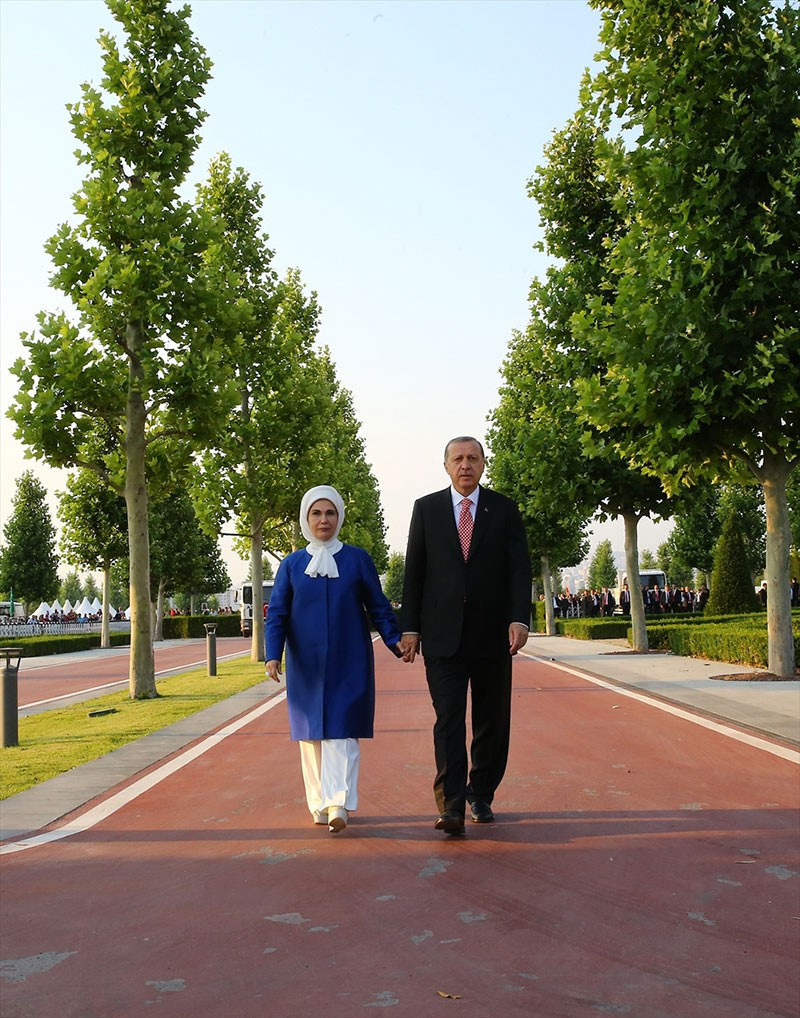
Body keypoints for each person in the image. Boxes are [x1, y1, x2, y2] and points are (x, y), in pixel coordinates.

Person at [400, 436, 531, 836]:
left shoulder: (504, 510)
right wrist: (410, 627)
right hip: (443, 638)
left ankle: (482, 793)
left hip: (493, 636)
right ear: (446, 466)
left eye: (473, 458)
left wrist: (519, 618)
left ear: (484, 464)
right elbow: (414, 572)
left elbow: (518, 570)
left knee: (492, 720)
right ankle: (451, 805)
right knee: (449, 721)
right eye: (458, 458)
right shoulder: (427, 509)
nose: (465, 465)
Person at [265, 485, 403, 834]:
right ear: (305, 518)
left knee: (342, 731)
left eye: (329, 513)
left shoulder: (357, 559)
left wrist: (395, 640)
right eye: (316, 513)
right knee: (311, 735)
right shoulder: (292, 565)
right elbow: (277, 613)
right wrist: (272, 655)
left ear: (339, 517)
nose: (323, 520)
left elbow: (378, 605)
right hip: (306, 663)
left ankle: (338, 802)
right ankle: (318, 803)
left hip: (349, 657)